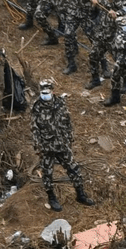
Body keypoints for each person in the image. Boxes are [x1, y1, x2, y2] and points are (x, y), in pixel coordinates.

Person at [31, 78, 95, 212]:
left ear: (52, 91)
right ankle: (52, 198)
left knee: (74, 169)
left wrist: (69, 138)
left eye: (47, 92)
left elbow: (67, 122)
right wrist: (38, 146)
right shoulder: (36, 107)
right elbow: (35, 128)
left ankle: (80, 194)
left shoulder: (60, 103)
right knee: (47, 173)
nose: (45, 95)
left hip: (62, 144)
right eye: (43, 92)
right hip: (47, 146)